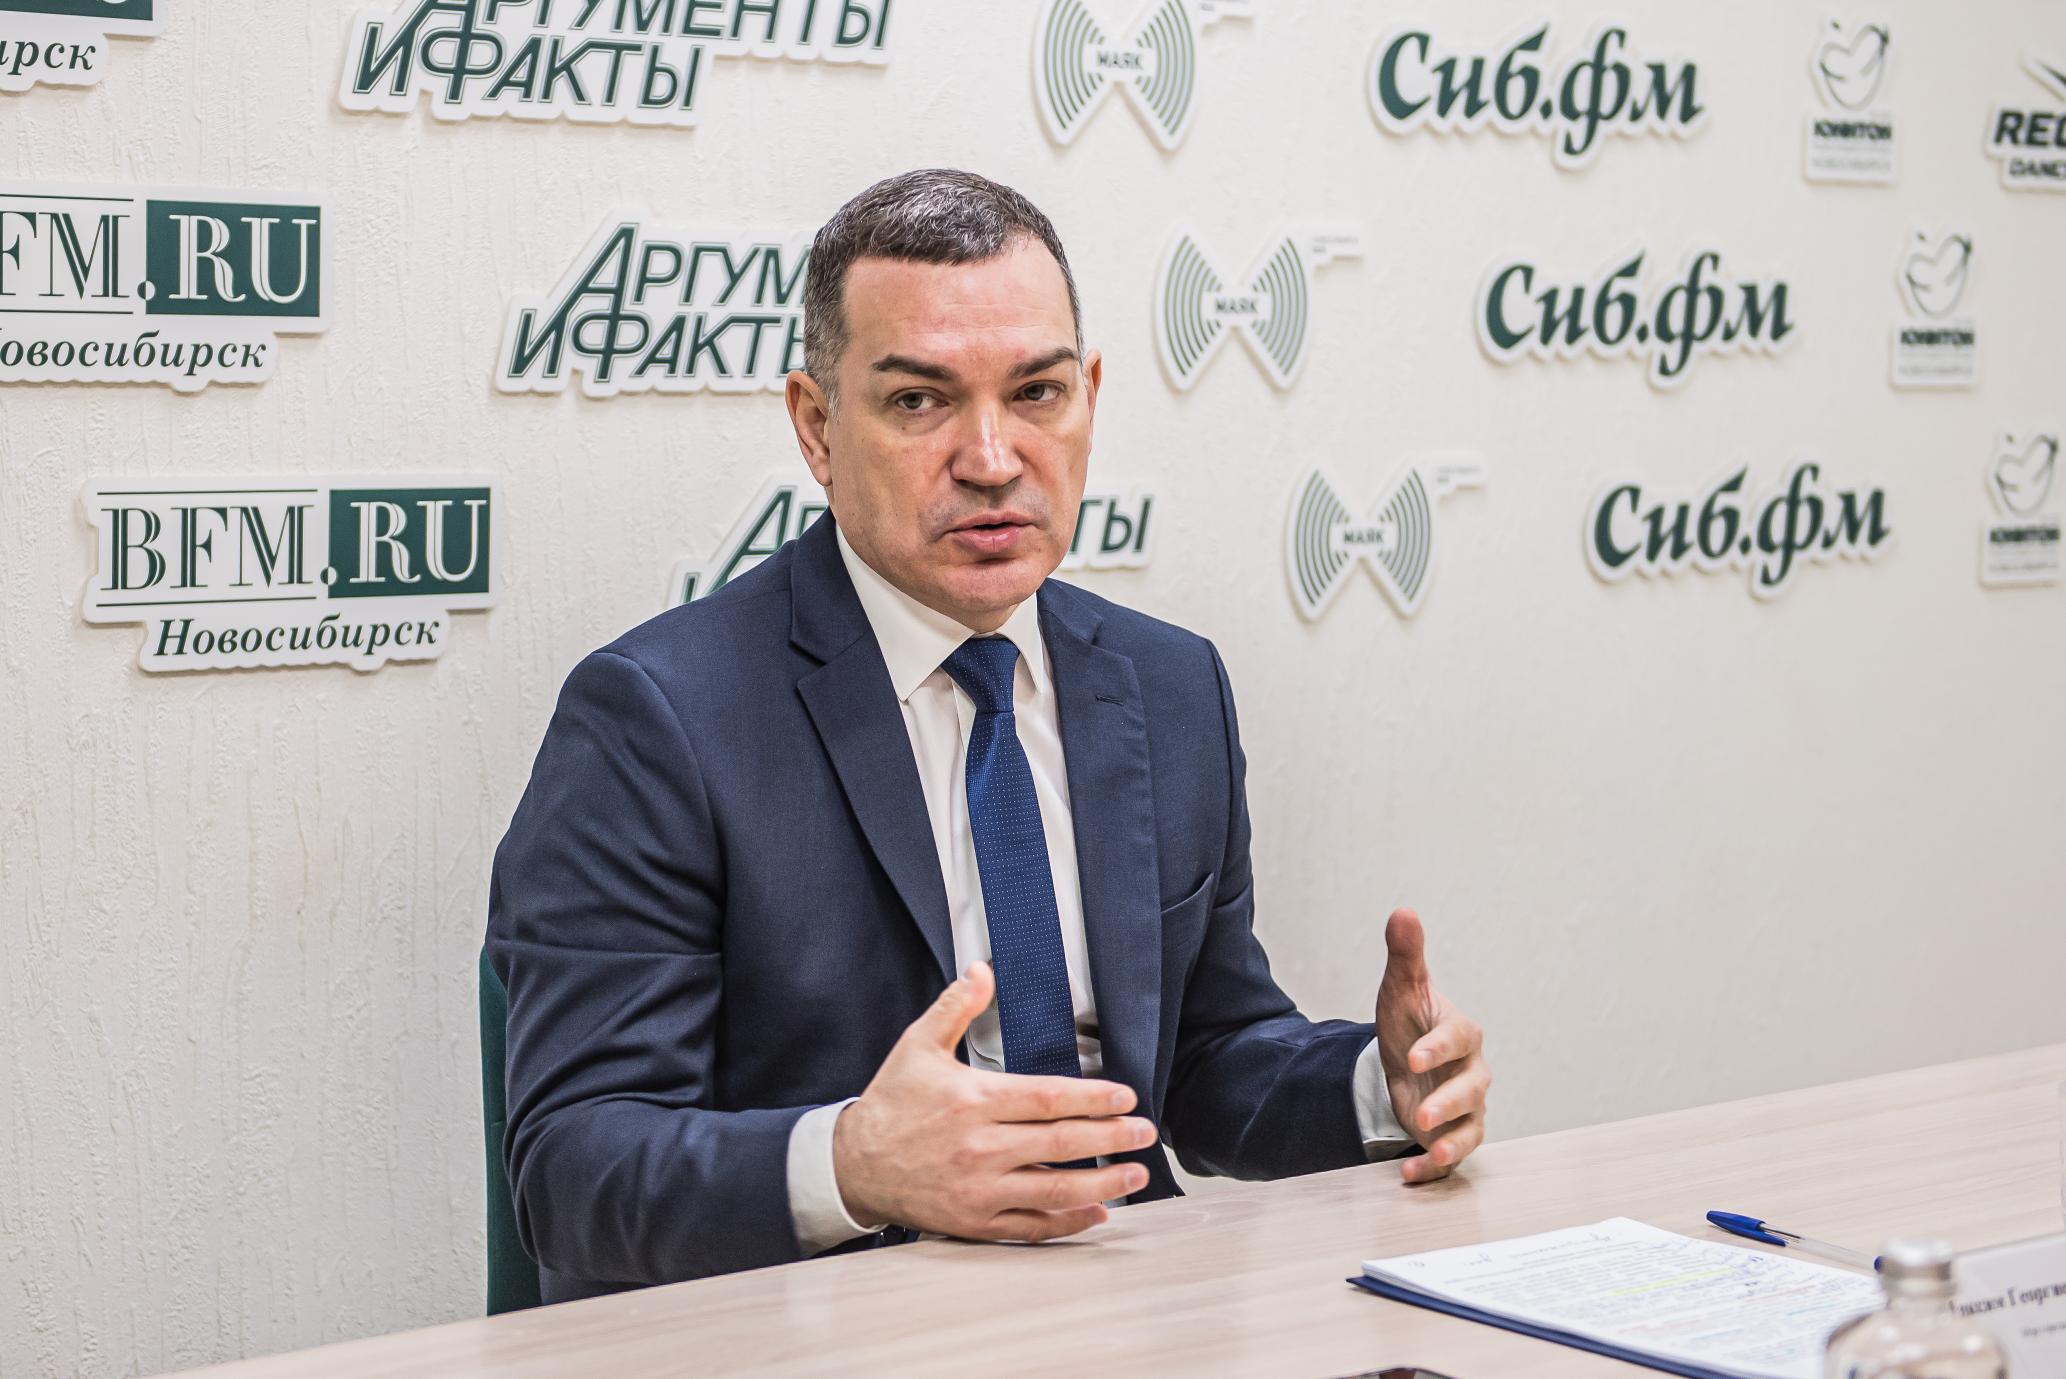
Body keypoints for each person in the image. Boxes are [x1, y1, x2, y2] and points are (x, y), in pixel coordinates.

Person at [486, 169, 1491, 1305]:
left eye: (1036, 392)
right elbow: (572, 1167)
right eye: (920, 401)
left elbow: (1207, 1061)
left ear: (1089, 397)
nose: (993, 457)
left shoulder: (1169, 685)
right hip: (822, 1324)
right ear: (816, 426)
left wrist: (1379, 1085)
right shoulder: (657, 718)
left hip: (1127, 1307)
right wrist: (853, 1165)